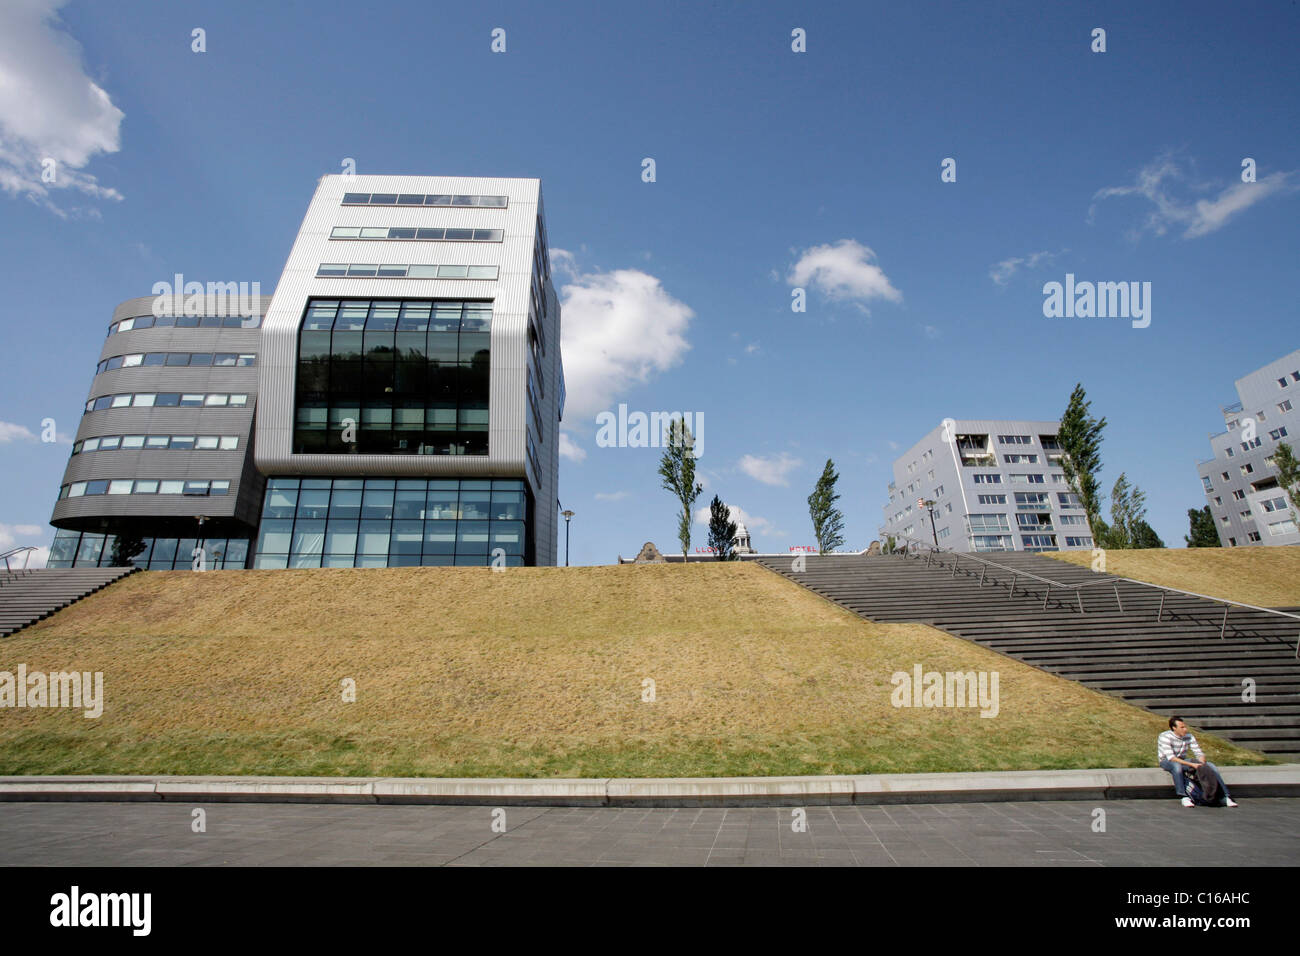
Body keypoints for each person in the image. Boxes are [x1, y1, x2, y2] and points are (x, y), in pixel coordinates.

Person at [1158, 717, 1238, 808]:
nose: (1185, 729)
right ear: (1174, 728)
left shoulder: (1189, 736)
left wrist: (1202, 762)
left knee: (1210, 766)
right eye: (1182, 727)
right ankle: (1184, 796)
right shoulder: (1165, 736)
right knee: (1177, 767)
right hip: (1167, 761)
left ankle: (1225, 796)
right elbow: (1171, 758)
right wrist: (1192, 765)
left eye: (1185, 727)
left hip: (1183, 761)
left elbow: (1198, 753)